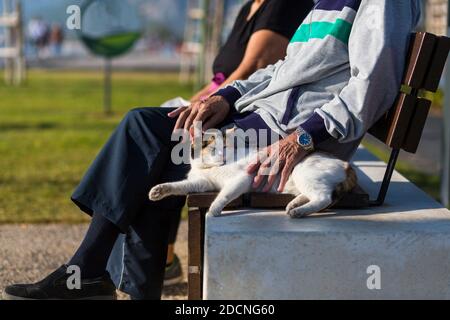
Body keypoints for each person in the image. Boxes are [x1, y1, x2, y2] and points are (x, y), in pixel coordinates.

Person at [3, 0, 421, 300]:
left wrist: (305, 137)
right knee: (157, 137)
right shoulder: (325, 2)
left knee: (148, 134)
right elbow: (283, 70)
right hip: (262, 120)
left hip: (290, 138)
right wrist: (228, 96)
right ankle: (101, 275)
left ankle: (92, 272)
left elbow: (371, 88)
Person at [162, 0, 314, 286]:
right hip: (230, 102)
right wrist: (193, 102)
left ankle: (159, 260)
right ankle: (155, 259)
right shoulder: (249, 8)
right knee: (157, 123)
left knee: (165, 140)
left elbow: (255, 67)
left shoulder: (283, 6)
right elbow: (226, 76)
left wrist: (205, 104)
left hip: (250, 110)